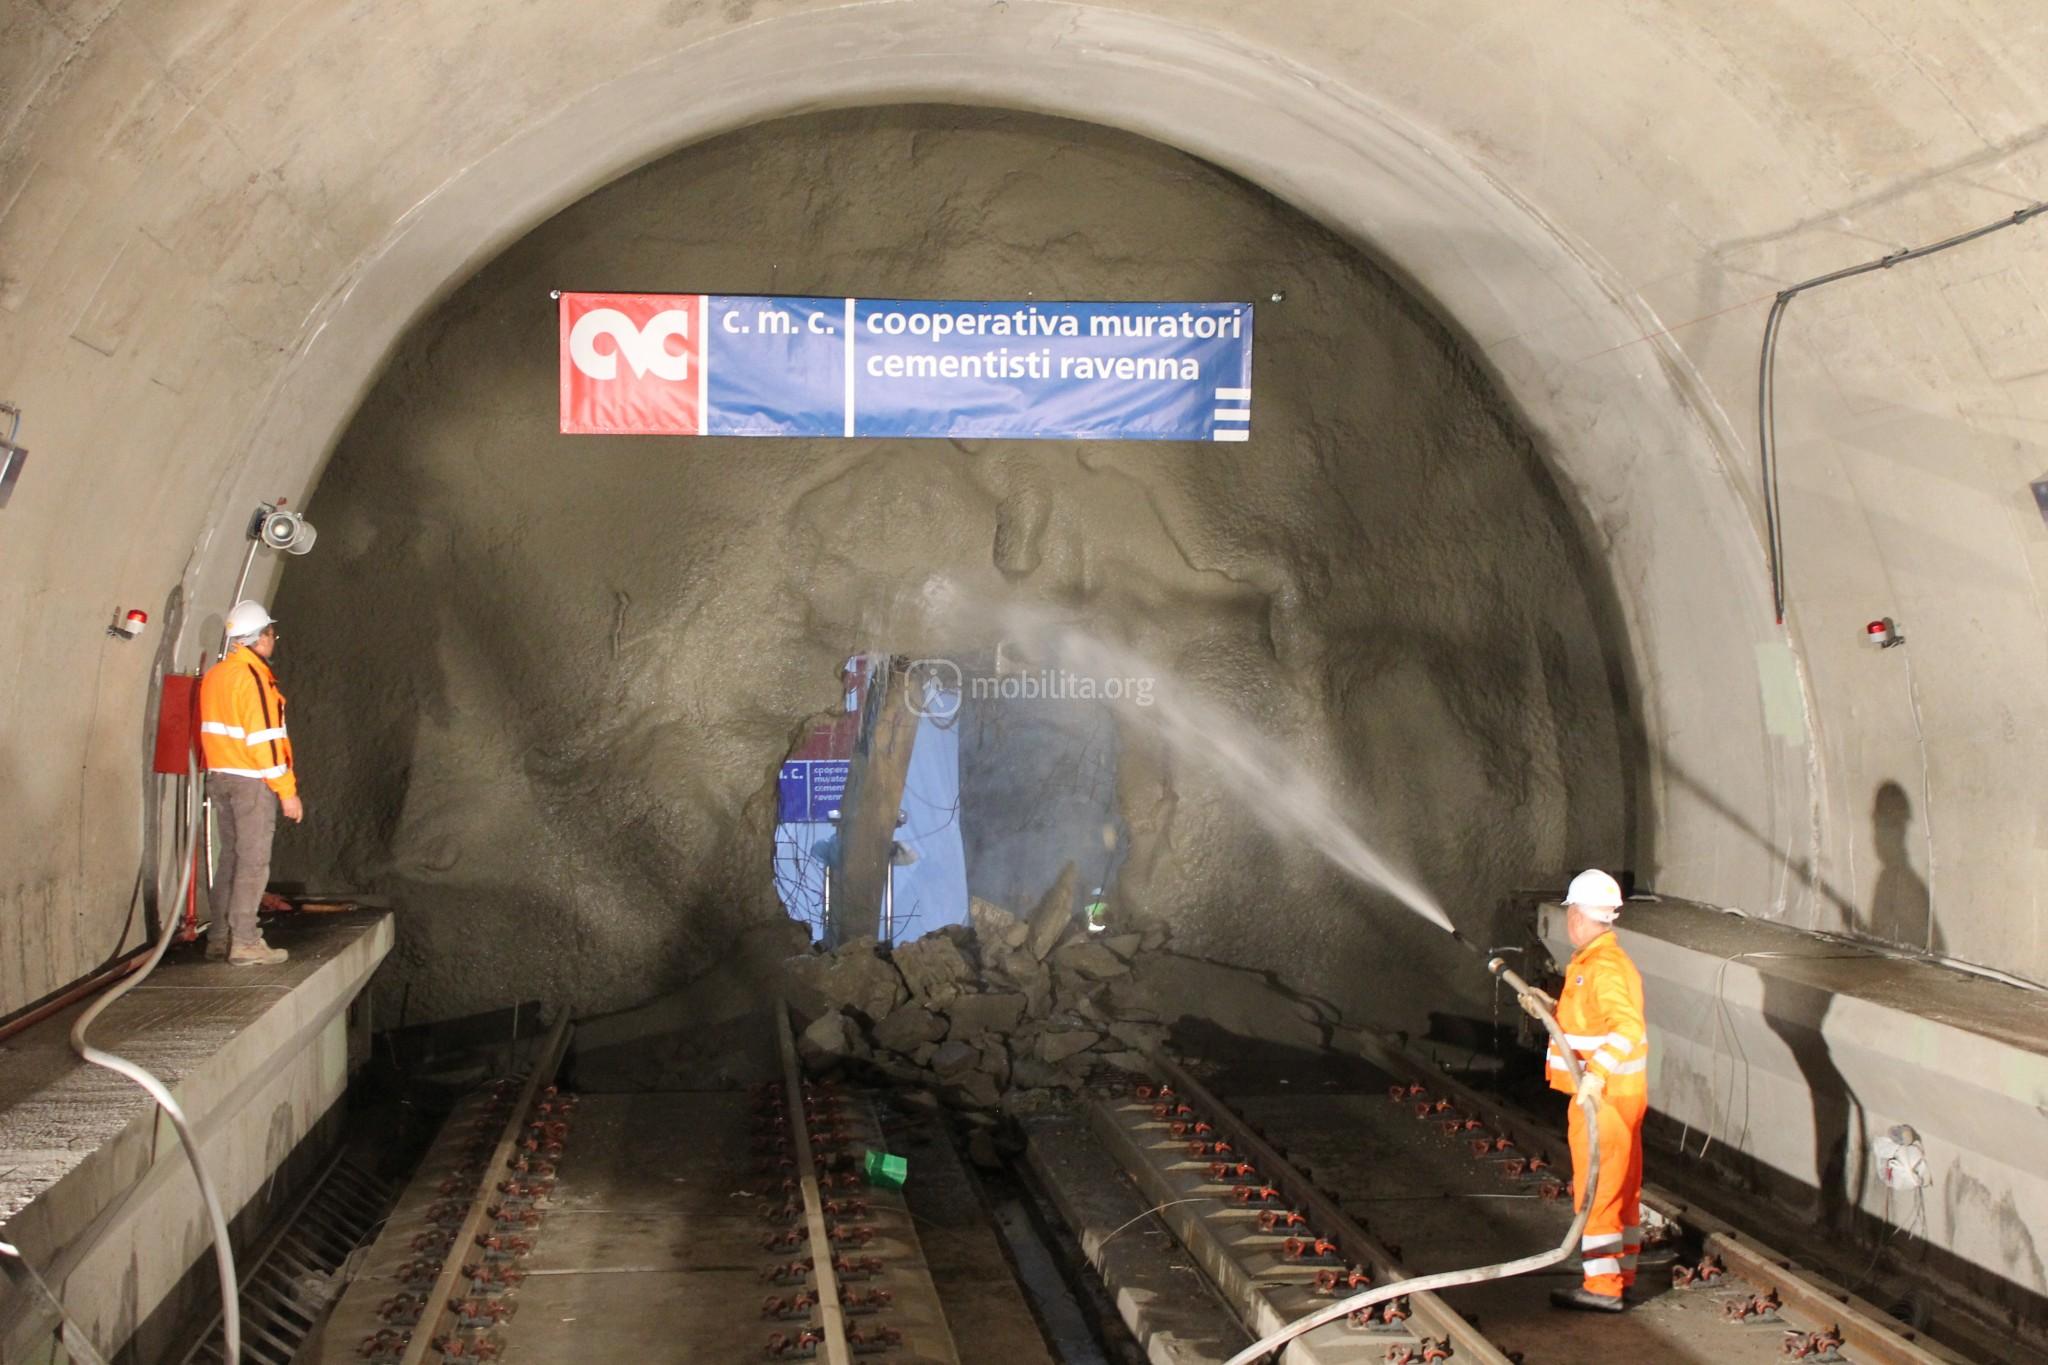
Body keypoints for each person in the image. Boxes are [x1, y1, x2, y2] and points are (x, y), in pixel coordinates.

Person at [1521, 868, 1648, 1312]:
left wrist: (1595, 1077)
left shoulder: (1602, 966)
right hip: (1618, 1095)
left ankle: (1602, 1288)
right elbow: (1590, 1022)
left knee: (1597, 1191)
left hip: (1602, 1099)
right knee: (1620, 1188)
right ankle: (1620, 1275)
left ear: (1575, 915)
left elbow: (1626, 1028)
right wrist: (1550, 1008)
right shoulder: (1599, 962)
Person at [198, 600, 303, 965]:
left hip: (220, 777)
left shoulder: (216, 675)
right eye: (272, 634)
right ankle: (245, 941)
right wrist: (287, 793)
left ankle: (219, 937)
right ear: (259, 638)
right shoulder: (253, 677)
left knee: (230, 857)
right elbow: (265, 741)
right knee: (253, 862)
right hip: (249, 781)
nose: (273, 640)